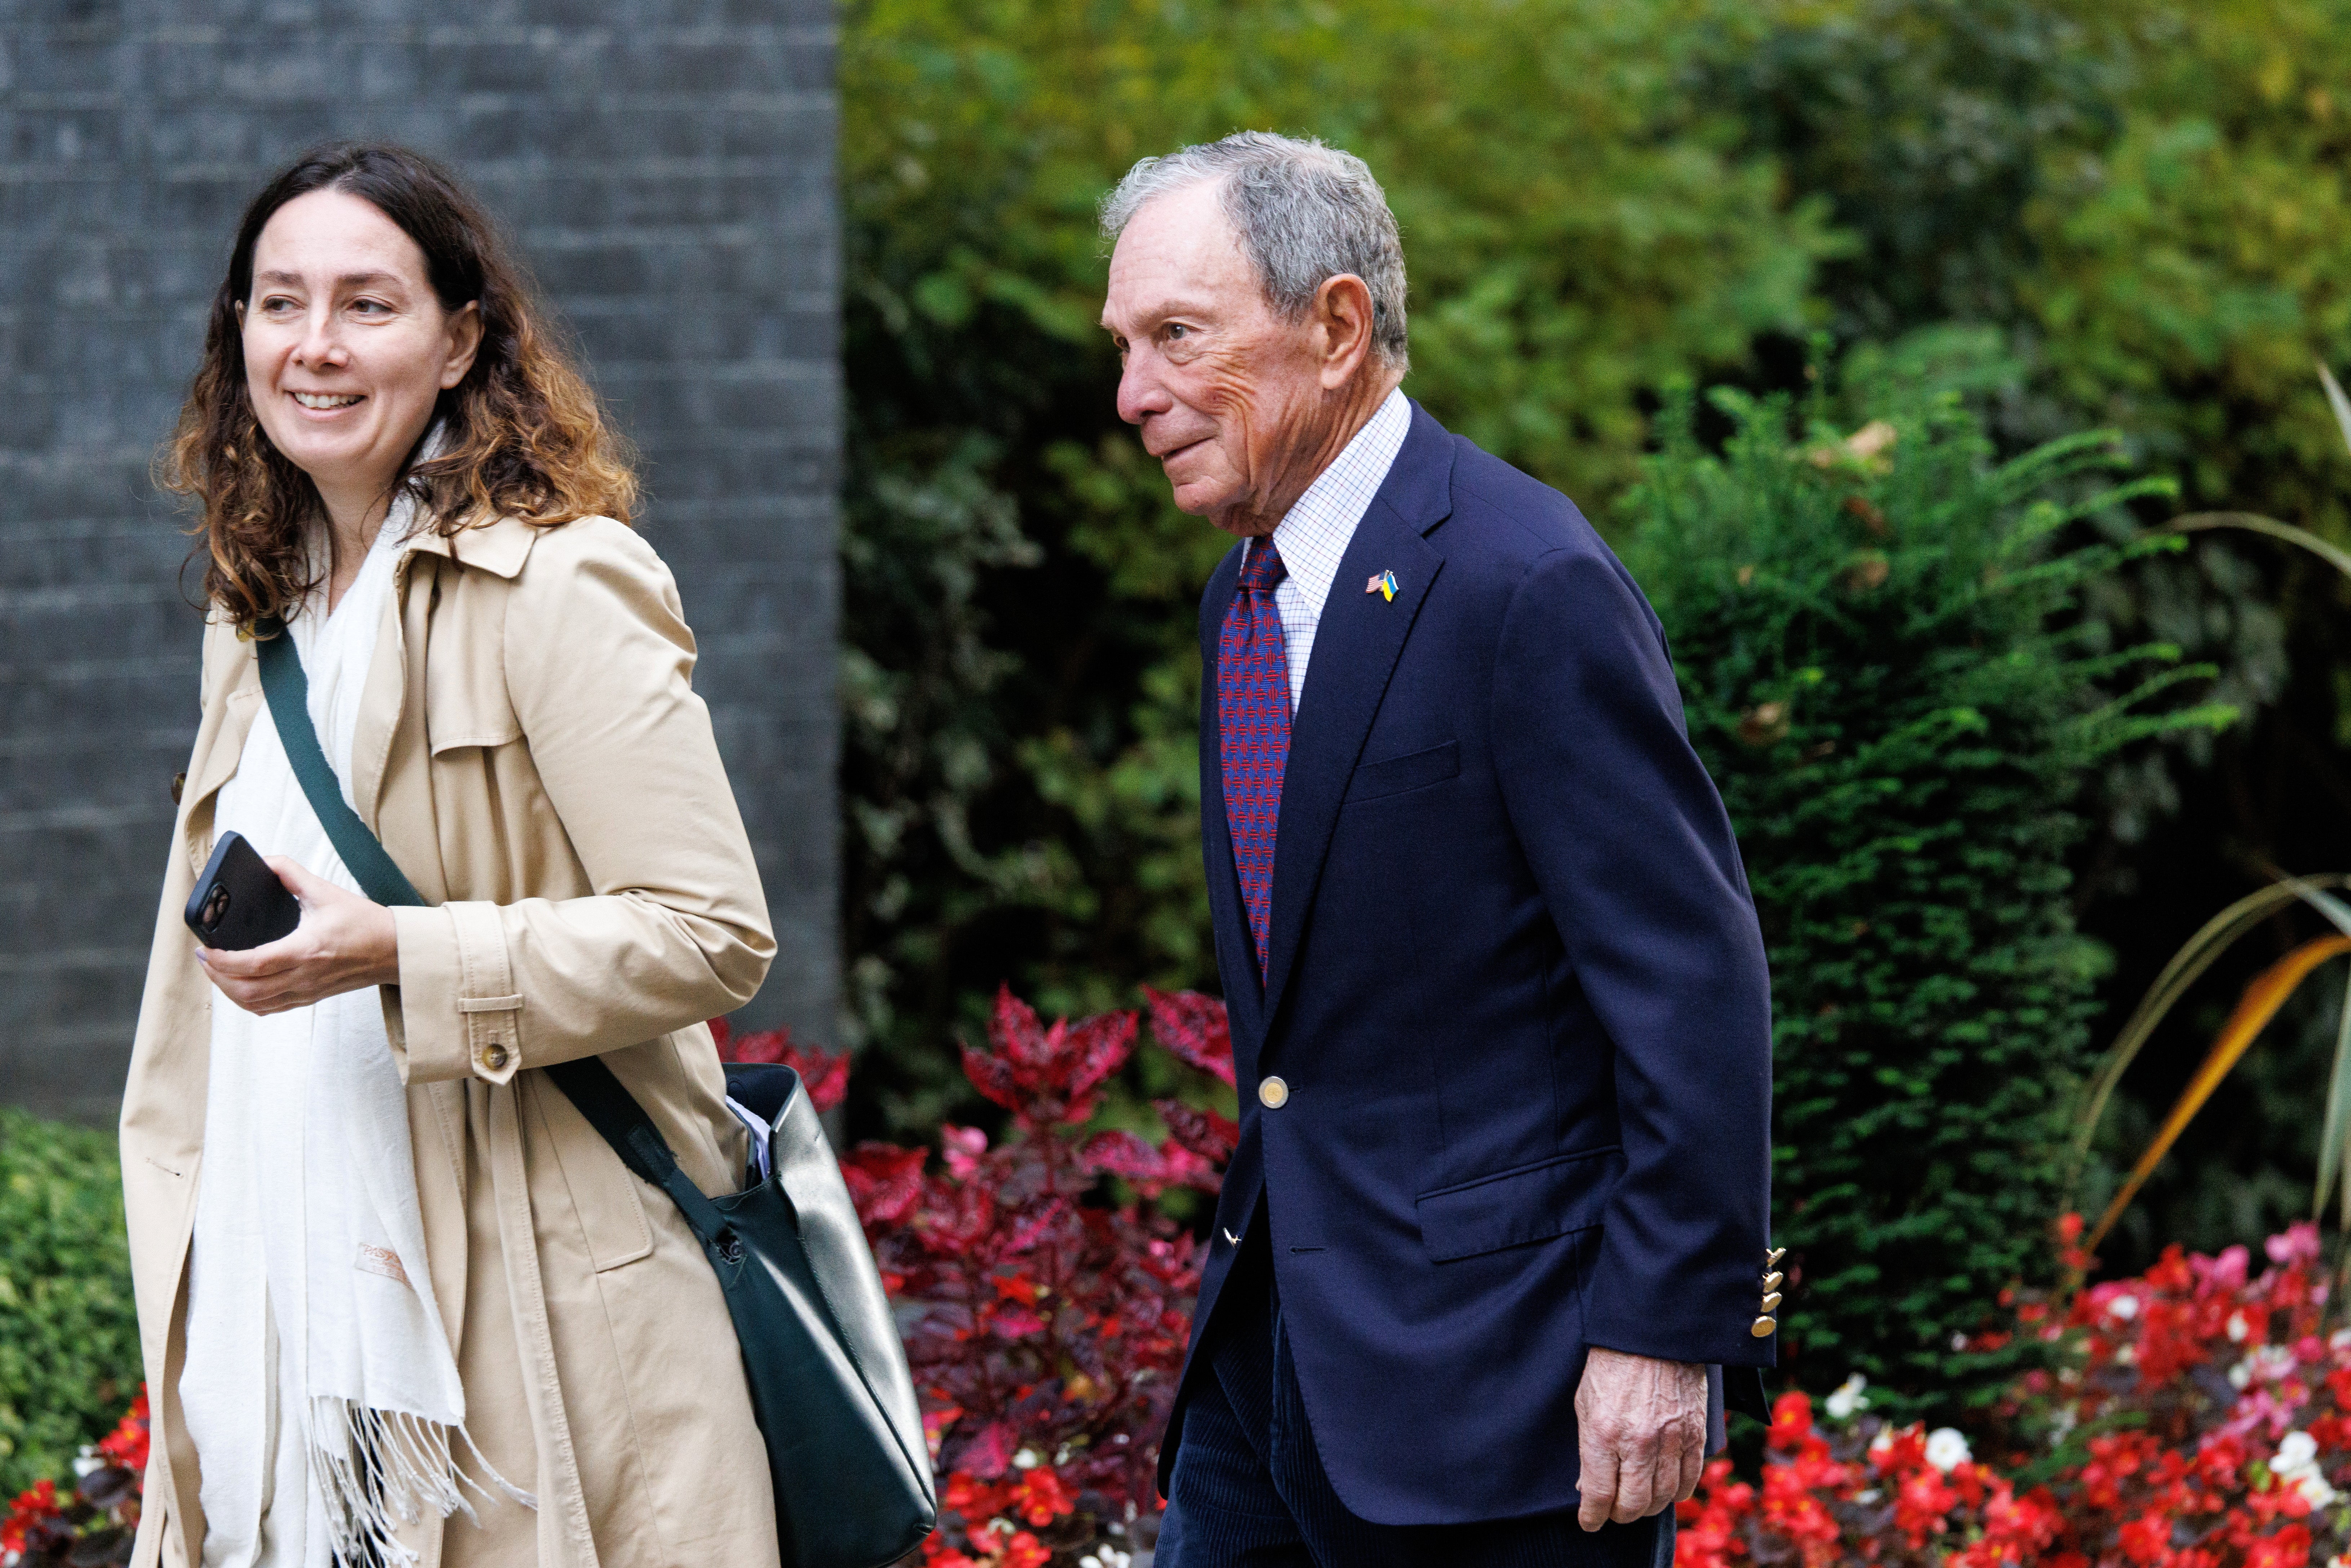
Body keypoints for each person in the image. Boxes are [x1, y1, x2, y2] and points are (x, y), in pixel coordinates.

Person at [1097, 132, 1779, 1567]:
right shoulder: (1238, 597)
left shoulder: (1525, 581)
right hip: (1268, 1359)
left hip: (1498, 1393)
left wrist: (1659, 1327)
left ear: (1336, 327)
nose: (1132, 395)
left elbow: (1689, 984)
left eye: (1175, 337)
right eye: (1124, 346)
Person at [121, 144, 779, 1568]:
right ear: (237, 333)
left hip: (527, 1319)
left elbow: (710, 929)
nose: (314, 345)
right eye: (279, 302)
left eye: (368, 303)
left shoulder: (560, 579)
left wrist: (404, 953)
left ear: (459, 336)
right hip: (285, 1291)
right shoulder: (255, 614)